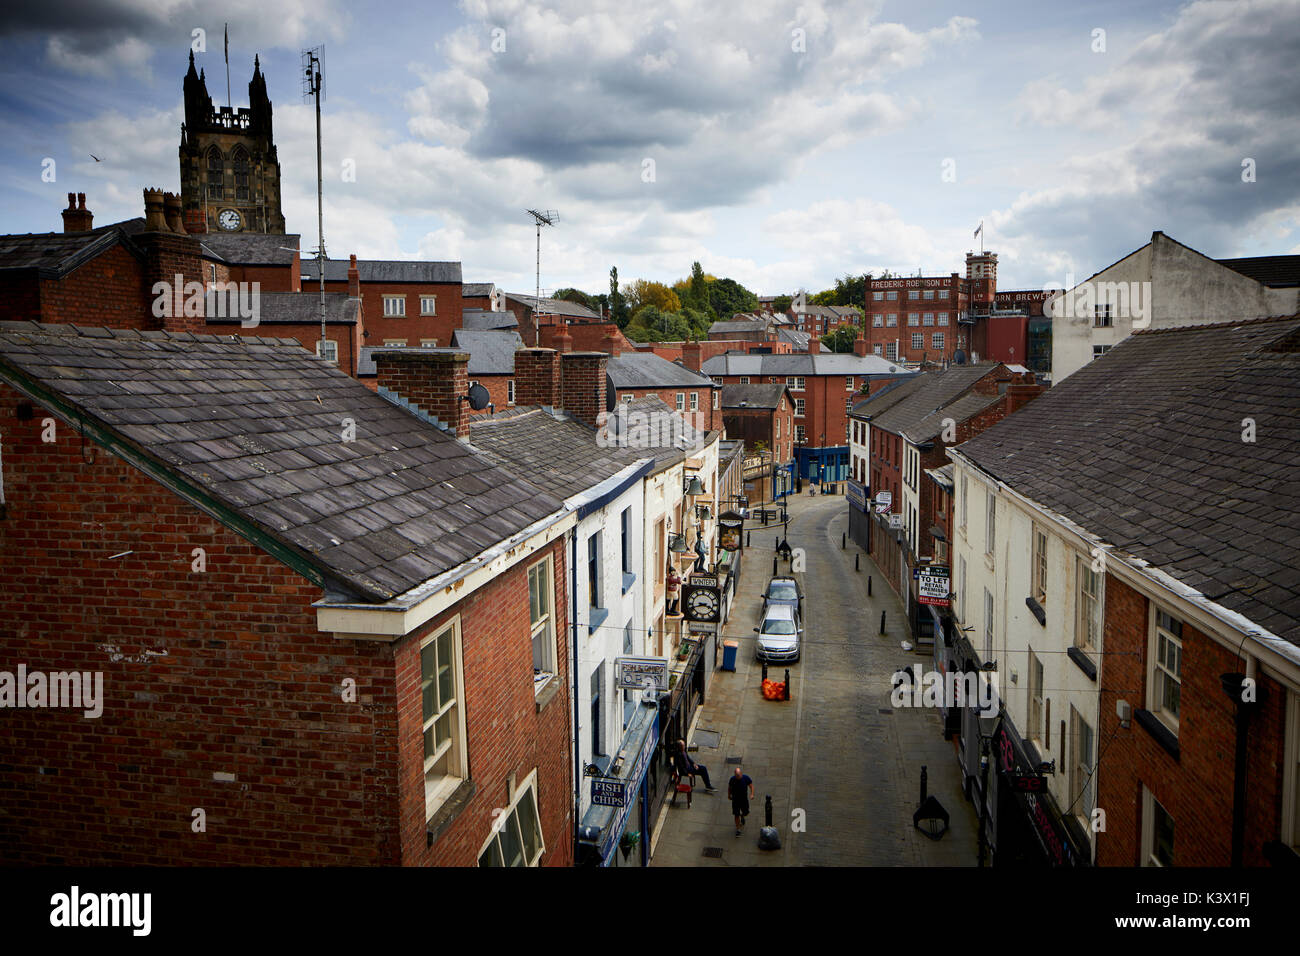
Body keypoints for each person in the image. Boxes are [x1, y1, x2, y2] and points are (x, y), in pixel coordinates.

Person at [728, 766, 754, 836]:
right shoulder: (732, 779)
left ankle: (742, 816)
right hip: (735, 800)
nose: (738, 777)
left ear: (741, 774)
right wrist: (729, 795)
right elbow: (729, 788)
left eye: (739, 775)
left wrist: (752, 794)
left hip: (743, 799)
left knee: (746, 812)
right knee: (736, 814)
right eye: (736, 775)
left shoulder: (746, 778)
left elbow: (751, 786)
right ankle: (738, 829)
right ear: (735, 774)